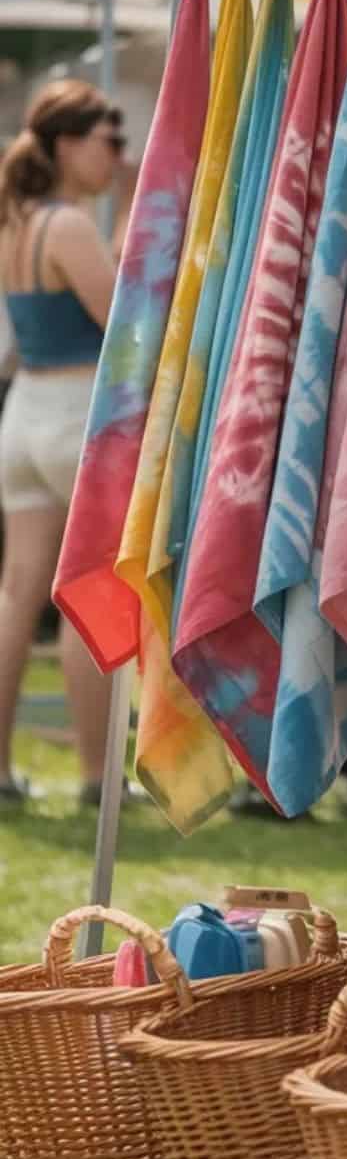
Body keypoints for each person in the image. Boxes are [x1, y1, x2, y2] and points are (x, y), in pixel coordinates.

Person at [0, 81, 132, 804]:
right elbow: (125, 327)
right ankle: (93, 778)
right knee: (90, 593)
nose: (118, 155)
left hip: (23, 414)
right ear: (67, 144)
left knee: (17, 594)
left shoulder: (15, 218)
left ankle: (0, 773)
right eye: (109, 140)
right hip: (78, 412)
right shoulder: (70, 226)